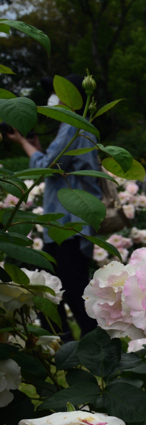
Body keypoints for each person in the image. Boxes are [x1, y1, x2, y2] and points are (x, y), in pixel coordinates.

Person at [4, 74, 100, 339]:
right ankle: (63, 340)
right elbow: (59, 165)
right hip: (66, 224)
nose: (50, 99)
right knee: (53, 283)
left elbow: (49, 169)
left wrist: (24, 144)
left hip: (68, 225)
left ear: (70, 98)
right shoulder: (77, 127)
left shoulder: (72, 125)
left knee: (63, 285)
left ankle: (88, 342)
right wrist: (39, 148)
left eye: (56, 93)